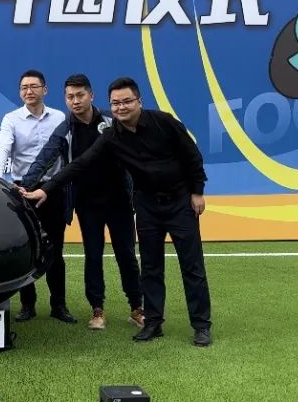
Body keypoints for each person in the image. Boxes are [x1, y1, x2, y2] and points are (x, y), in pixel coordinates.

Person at [21, 77, 213, 347]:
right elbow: (80, 164)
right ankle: (153, 322)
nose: (121, 107)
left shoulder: (163, 121)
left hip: (179, 202)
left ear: (139, 101)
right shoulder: (111, 135)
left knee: (191, 266)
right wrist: (45, 189)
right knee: (150, 267)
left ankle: (201, 325)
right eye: (116, 103)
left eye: (126, 102)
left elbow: (192, 154)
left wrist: (197, 191)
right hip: (145, 206)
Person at [22, 74, 143, 331]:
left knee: (126, 255)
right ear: (65, 99)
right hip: (87, 205)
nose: (75, 101)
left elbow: (136, 154)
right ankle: (97, 310)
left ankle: (137, 308)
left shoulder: (111, 122)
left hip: (120, 203)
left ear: (91, 96)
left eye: (80, 95)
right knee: (93, 256)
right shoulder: (65, 129)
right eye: (70, 97)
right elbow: (44, 158)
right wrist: (26, 185)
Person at [0, 70, 72, 324]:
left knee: (55, 250)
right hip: (23, 191)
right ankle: (28, 305)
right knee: (25, 250)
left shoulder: (60, 117)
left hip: (52, 191)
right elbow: (3, 149)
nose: (29, 91)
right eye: (24, 87)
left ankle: (59, 305)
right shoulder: (11, 119)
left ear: (44, 90)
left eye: (34, 86)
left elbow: (68, 154)